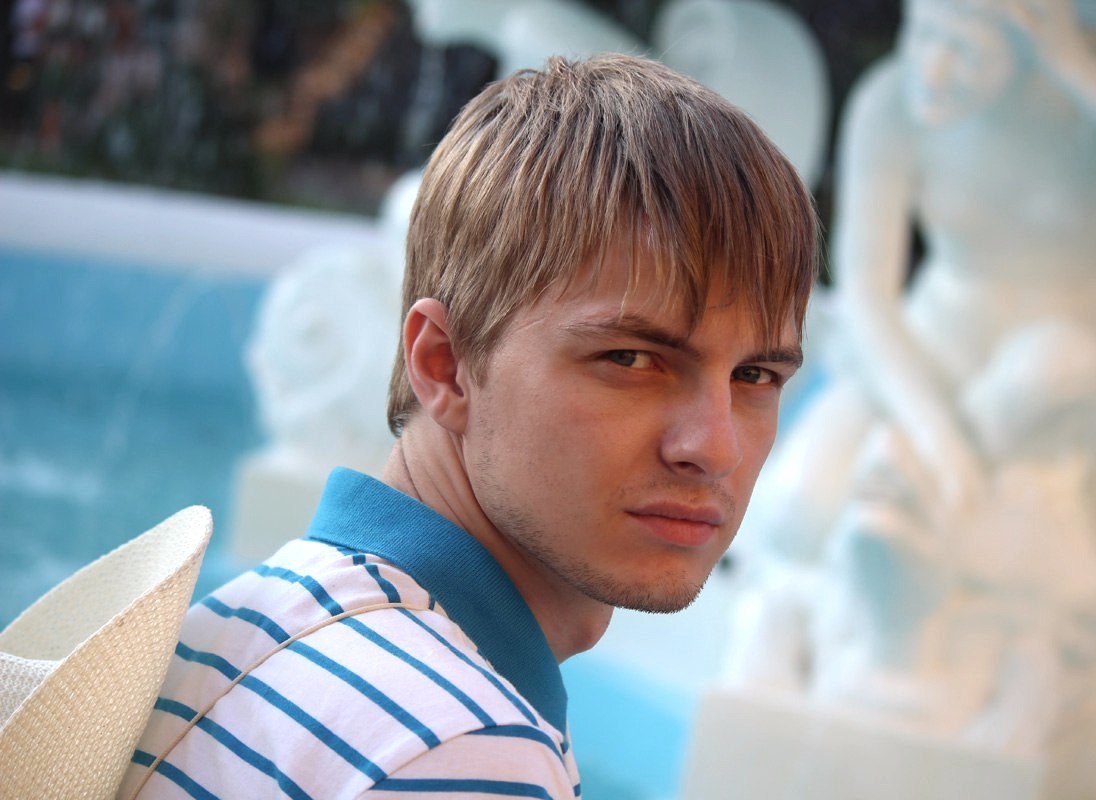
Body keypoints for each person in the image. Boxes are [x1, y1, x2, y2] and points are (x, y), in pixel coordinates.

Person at [121, 53, 819, 799]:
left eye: (756, 376)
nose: (715, 446)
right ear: (445, 364)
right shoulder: (463, 752)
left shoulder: (221, 631)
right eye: (630, 359)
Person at [744, 0, 1096, 563]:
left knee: (1036, 397)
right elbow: (866, 295)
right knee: (792, 514)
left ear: (1030, 49)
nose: (932, 69)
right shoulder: (892, 99)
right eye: (923, 34)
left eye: (965, 52)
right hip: (934, 340)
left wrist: (1075, 68)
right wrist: (932, 430)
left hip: (1062, 352)